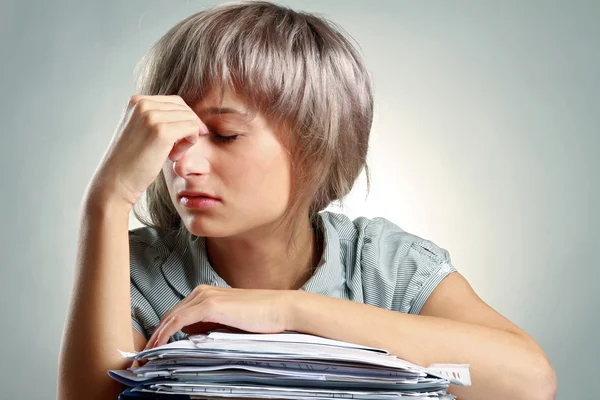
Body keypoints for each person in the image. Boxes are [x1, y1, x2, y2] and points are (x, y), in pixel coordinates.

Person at [57, 1, 557, 399]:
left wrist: (289, 311)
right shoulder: (137, 271)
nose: (183, 165)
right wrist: (108, 197)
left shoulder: (382, 264)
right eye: (169, 135)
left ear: (316, 144)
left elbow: (529, 381)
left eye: (225, 135)